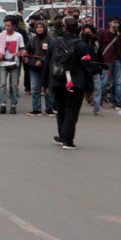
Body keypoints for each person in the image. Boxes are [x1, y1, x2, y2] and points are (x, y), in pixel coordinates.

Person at [41, 16, 93, 150]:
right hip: (75, 82)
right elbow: (87, 67)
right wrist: (90, 87)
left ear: (63, 27)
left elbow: (47, 63)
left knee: (60, 110)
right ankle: (68, 140)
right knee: (72, 111)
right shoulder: (82, 45)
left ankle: (62, 135)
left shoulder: (54, 43)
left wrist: (45, 83)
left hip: (57, 80)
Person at [0, 17, 25, 114]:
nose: (6, 28)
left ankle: (13, 105)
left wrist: (20, 53)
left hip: (14, 64)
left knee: (14, 86)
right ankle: (3, 104)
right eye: (6, 25)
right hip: (3, 63)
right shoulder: (1, 35)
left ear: (14, 26)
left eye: (9, 26)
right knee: (2, 84)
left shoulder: (18, 36)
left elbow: (22, 48)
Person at [25, 20, 54, 117]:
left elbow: (52, 54)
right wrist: (25, 56)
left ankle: (50, 109)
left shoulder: (50, 39)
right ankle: (36, 109)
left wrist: (42, 61)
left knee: (48, 89)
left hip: (46, 68)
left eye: (41, 27)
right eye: (37, 27)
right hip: (34, 68)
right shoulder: (32, 39)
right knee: (35, 89)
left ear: (45, 28)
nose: (39, 29)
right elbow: (27, 51)